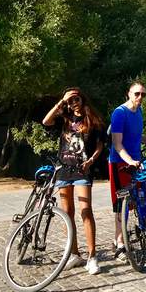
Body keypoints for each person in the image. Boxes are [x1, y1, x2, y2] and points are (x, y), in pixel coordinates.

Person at [42, 87, 106, 275]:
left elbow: (100, 146)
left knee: (86, 211)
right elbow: (46, 121)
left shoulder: (93, 120)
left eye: (76, 98)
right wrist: (61, 102)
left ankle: (92, 257)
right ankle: (74, 254)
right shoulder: (65, 119)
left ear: (83, 99)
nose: (73, 103)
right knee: (67, 214)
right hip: (64, 170)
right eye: (70, 101)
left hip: (82, 170)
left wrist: (90, 161)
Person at [108, 82, 146, 262]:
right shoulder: (120, 113)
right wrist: (130, 160)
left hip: (136, 162)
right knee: (121, 204)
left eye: (143, 95)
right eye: (137, 94)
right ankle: (119, 244)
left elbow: (134, 136)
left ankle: (137, 229)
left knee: (136, 198)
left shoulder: (138, 111)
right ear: (129, 94)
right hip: (120, 163)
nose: (140, 97)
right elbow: (117, 143)